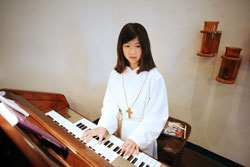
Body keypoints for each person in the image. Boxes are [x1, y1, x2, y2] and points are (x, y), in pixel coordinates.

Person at [81, 23, 169, 159]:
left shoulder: (155, 78)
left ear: (145, 47)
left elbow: (156, 116)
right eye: (127, 46)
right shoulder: (115, 74)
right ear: (120, 48)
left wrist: (136, 139)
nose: (132, 52)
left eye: (137, 46)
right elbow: (110, 107)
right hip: (119, 133)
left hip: (142, 138)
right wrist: (103, 126)